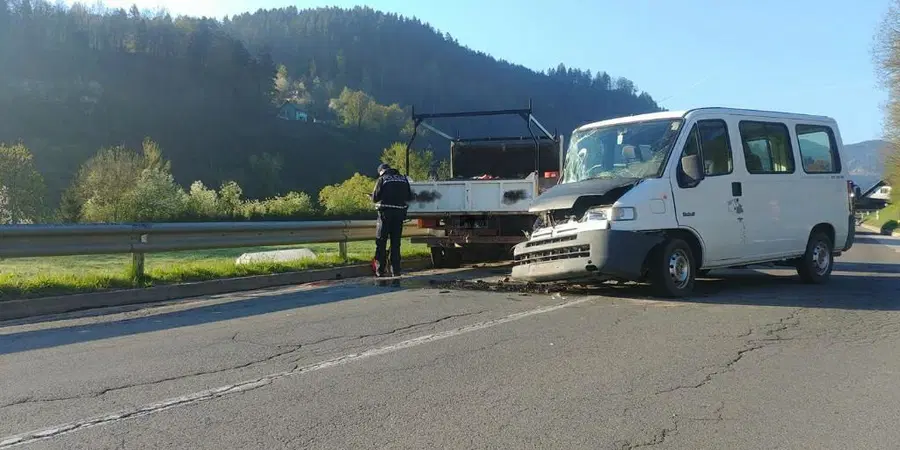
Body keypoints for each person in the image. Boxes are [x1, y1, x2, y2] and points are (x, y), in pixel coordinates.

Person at [371, 163, 415, 277]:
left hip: (385, 215)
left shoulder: (382, 179)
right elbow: (410, 197)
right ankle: (396, 270)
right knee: (396, 243)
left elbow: (375, 198)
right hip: (399, 215)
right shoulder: (403, 179)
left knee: (381, 242)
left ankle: (380, 270)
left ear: (381, 171)